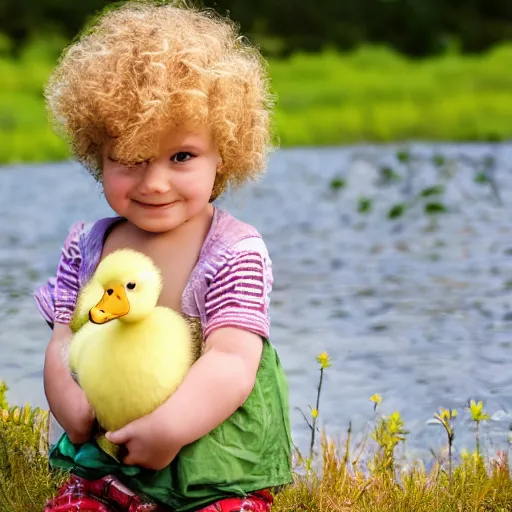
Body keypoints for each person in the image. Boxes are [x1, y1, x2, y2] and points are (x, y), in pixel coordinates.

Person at [33, 2, 292, 510]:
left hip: (212, 467)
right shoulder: (87, 246)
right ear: (97, 155)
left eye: (181, 157)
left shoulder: (233, 251)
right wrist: (72, 404)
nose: (154, 183)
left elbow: (232, 360)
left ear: (226, 154)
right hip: (109, 461)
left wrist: (170, 428)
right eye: (130, 159)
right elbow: (65, 337)